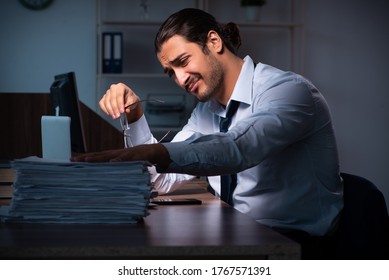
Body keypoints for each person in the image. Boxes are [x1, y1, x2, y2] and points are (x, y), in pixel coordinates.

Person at [72, 8, 343, 238]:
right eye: (170, 73)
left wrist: (155, 152)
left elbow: (240, 148)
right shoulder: (205, 112)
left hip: (293, 243)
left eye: (183, 61)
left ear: (213, 41)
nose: (179, 79)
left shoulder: (289, 91)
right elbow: (161, 180)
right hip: (237, 236)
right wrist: (135, 117)